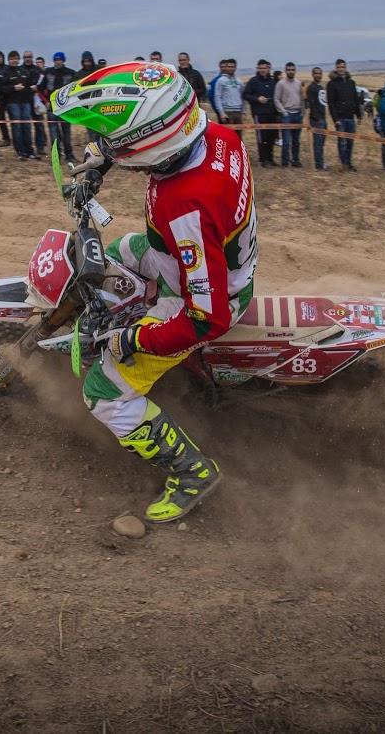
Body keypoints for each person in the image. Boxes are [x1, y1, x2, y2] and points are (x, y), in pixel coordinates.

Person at [51, 61, 257, 523]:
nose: (113, 148)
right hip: (180, 256)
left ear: (153, 144)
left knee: (103, 394)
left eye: (121, 142)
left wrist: (134, 339)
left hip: (195, 296)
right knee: (118, 252)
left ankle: (192, 473)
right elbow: (153, 142)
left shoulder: (186, 207)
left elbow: (210, 317)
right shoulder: (217, 136)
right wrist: (102, 159)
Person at [0, 50, 36, 160]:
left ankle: (30, 151)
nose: (14, 61)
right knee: (17, 128)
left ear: (19, 59)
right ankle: (20, 152)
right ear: (8, 60)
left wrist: (32, 88)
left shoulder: (23, 71)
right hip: (13, 104)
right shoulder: (5, 73)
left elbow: (29, 85)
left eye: (16, 59)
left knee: (27, 127)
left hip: (25, 103)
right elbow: (2, 89)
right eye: (11, 59)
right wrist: (13, 88)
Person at [326, 59, 360, 171]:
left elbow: (355, 99)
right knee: (342, 142)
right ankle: (344, 164)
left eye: (343, 67)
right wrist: (335, 119)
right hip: (340, 118)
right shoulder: (332, 84)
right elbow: (331, 102)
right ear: (336, 69)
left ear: (345, 68)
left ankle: (349, 163)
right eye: (339, 67)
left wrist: (359, 115)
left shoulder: (351, 83)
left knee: (350, 141)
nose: (341, 69)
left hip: (350, 117)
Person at [41, 52, 76, 161]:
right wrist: (45, 101)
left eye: (60, 60)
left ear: (63, 60)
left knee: (67, 133)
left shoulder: (71, 73)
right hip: (52, 108)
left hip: (66, 108)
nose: (58, 62)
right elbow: (39, 88)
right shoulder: (47, 73)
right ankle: (56, 156)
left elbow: (76, 89)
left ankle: (69, 155)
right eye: (56, 60)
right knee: (54, 134)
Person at [243, 59, 279, 166]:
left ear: (269, 69)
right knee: (262, 137)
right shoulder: (253, 81)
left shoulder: (273, 81)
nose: (263, 70)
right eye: (261, 68)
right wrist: (257, 99)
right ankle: (264, 159)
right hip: (259, 113)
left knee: (272, 136)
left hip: (272, 113)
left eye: (265, 68)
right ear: (258, 69)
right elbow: (245, 95)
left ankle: (270, 158)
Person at [274, 62, 304, 167]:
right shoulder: (281, 84)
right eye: (289, 70)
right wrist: (283, 112)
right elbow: (276, 99)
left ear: (295, 71)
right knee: (286, 141)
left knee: (296, 141)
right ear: (286, 71)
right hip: (287, 115)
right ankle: (285, 162)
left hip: (297, 114)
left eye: (292, 70)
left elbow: (302, 99)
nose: (290, 72)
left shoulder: (298, 83)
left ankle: (295, 160)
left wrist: (302, 112)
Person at [209, 58, 244, 139]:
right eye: (228, 66)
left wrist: (244, 111)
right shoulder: (220, 81)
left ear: (235, 68)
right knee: (228, 136)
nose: (230, 68)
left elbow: (242, 97)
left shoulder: (239, 82)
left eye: (232, 67)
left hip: (238, 111)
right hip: (227, 112)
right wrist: (221, 113)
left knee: (238, 137)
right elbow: (217, 97)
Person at [303, 66, 329, 171]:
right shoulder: (311, 88)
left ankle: (321, 162)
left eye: (320, 73)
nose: (318, 75)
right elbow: (311, 104)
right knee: (318, 143)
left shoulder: (320, 87)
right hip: (317, 119)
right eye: (316, 73)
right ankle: (318, 164)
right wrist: (317, 117)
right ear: (313, 74)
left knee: (321, 142)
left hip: (323, 118)